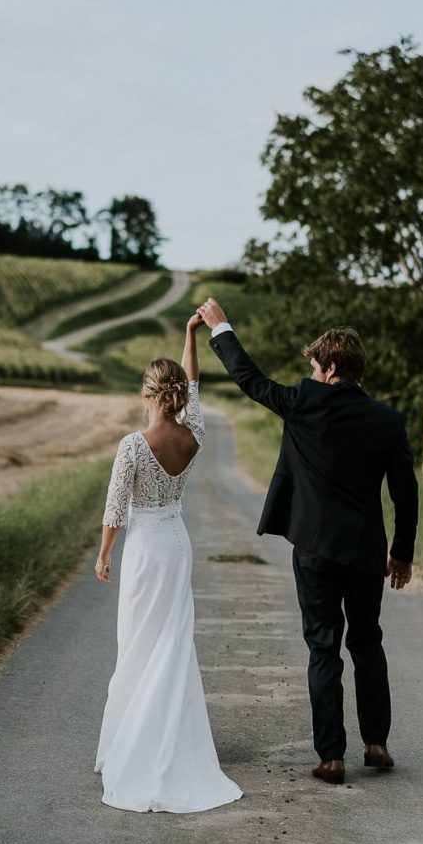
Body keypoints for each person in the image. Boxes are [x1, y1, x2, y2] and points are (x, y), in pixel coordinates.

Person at [197, 297, 418, 786]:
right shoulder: (387, 421)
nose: (313, 373)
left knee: (323, 648)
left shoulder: (303, 404)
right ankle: (377, 743)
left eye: (316, 366)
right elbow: (406, 494)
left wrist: (221, 327)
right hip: (364, 552)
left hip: (315, 550)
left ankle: (332, 757)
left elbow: (248, 379)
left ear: (332, 367)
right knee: (367, 642)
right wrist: (401, 553)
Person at [93, 313, 242, 813]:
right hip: (177, 543)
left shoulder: (133, 446)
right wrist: (190, 336)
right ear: (177, 395)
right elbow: (193, 381)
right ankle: (172, 736)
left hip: (144, 550)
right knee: (173, 641)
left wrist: (104, 554)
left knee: (136, 641)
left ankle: (132, 739)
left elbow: (116, 509)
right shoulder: (193, 434)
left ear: (148, 394)